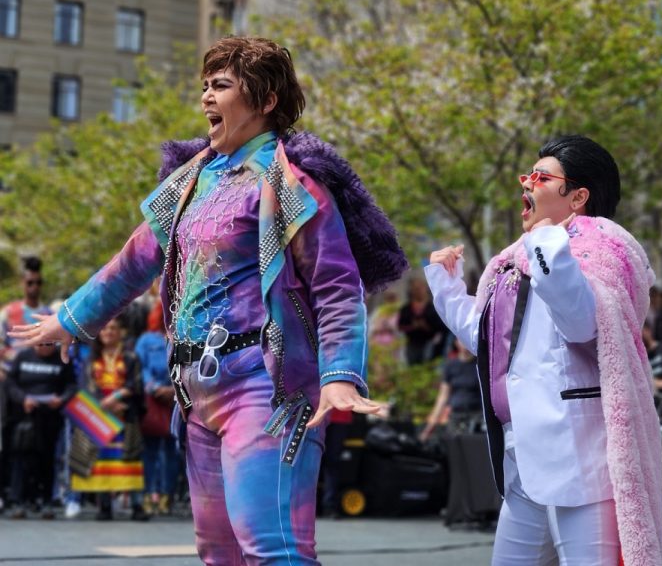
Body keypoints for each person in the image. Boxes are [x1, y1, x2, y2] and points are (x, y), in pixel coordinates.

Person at [11, 36, 406, 565]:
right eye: (205, 86)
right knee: (217, 552)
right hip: (194, 392)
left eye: (220, 86)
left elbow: (337, 287)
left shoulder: (292, 183)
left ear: (265, 100)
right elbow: (133, 261)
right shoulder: (191, 179)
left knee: (272, 548)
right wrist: (71, 319)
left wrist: (338, 376)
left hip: (266, 390)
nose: (206, 98)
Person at [425, 135, 662, 564]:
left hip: (582, 465)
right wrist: (446, 285)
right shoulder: (516, 259)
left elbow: (580, 322)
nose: (527, 185)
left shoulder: (604, 249)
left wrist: (546, 239)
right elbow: (488, 342)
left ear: (578, 196)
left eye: (540, 176)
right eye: (527, 175)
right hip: (523, 462)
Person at [69, 316, 148, 521]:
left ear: (121, 332)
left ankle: (137, 506)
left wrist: (116, 399)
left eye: (113, 328)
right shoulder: (92, 359)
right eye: (105, 329)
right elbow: (87, 386)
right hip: (100, 416)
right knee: (101, 461)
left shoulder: (131, 357)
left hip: (125, 415)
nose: (109, 332)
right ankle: (104, 506)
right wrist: (104, 405)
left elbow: (136, 385)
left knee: (129, 460)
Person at [0, 256, 52, 514]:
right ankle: (8, 493)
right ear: (23, 283)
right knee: (9, 438)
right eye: (30, 282)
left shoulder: (48, 313)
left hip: (41, 383)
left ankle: (35, 496)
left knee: (38, 444)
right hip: (11, 383)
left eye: (38, 283)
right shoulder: (9, 313)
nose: (34, 287)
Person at [5, 342, 76, 518]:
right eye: (39, 344)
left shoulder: (62, 359)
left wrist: (62, 399)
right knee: (21, 460)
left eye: (47, 344)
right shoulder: (23, 357)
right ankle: (18, 501)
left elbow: (71, 385)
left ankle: (45, 501)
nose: (42, 348)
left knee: (46, 460)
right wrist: (23, 399)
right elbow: (10, 383)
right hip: (24, 417)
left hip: (50, 418)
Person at [134, 301, 180, 515]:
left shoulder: (182, 335)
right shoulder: (146, 340)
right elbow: (139, 367)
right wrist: (153, 389)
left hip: (176, 400)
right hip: (152, 402)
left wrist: (175, 390)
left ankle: (166, 496)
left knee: (174, 450)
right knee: (149, 450)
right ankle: (147, 494)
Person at [420, 338, 482, 441]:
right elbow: (443, 397)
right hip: (455, 416)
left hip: (476, 415)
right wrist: (430, 426)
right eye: (461, 340)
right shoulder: (451, 366)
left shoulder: (479, 364)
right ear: (456, 343)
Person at [398, 279, 446, 365]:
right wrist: (413, 326)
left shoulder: (434, 308)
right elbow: (400, 327)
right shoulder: (406, 309)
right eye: (416, 288)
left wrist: (427, 327)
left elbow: (442, 328)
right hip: (412, 343)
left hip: (431, 343)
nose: (419, 291)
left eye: (421, 288)